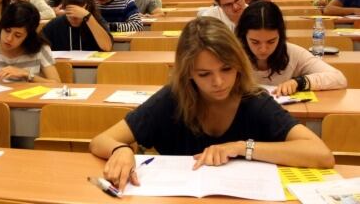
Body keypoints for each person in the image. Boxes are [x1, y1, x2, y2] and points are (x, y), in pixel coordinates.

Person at [90, 17, 335, 191]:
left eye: (226, 69)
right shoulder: (172, 98)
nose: (218, 82)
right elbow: (100, 140)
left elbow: (322, 155)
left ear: (238, 63)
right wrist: (120, 149)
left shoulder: (254, 101)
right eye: (204, 74)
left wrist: (241, 147)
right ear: (188, 74)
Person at [236, 1, 347, 96]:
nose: (263, 49)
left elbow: (338, 78)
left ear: (281, 36)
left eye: (271, 41)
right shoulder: (234, 54)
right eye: (255, 42)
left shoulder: (292, 53)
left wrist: (299, 82)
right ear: (244, 37)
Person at [42, 0, 113, 52]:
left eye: (78, 12)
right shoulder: (55, 25)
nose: (74, 17)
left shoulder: (95, 20)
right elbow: (39, 47)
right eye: (70, 12)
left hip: (92, 65)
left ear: (86, 8)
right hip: (63, 64)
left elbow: (107, 47)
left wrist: (88, 17)